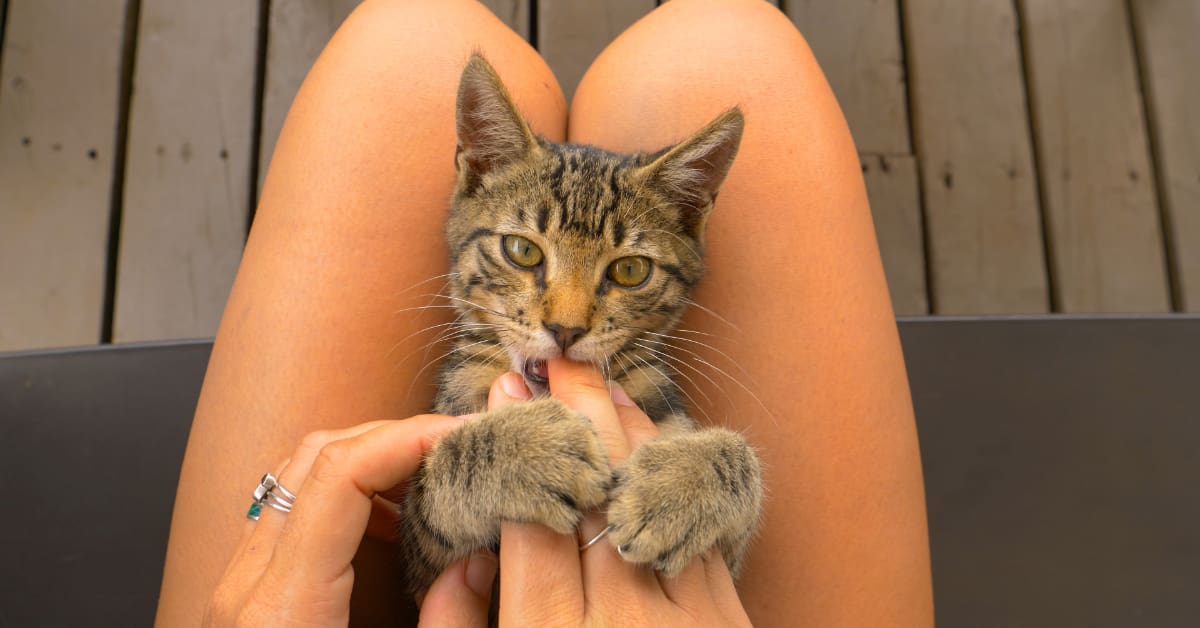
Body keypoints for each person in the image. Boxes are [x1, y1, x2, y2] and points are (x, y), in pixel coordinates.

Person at [155, 0, 933, 625]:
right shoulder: (488, 372)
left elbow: (425, 558)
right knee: (727, 40)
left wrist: (713, 477)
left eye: (625, 271)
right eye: (527, 254)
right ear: (475, 179)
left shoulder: (603, 369)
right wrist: (712, 479)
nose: (566, 315)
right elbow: (432, 544)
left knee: (406, 33)